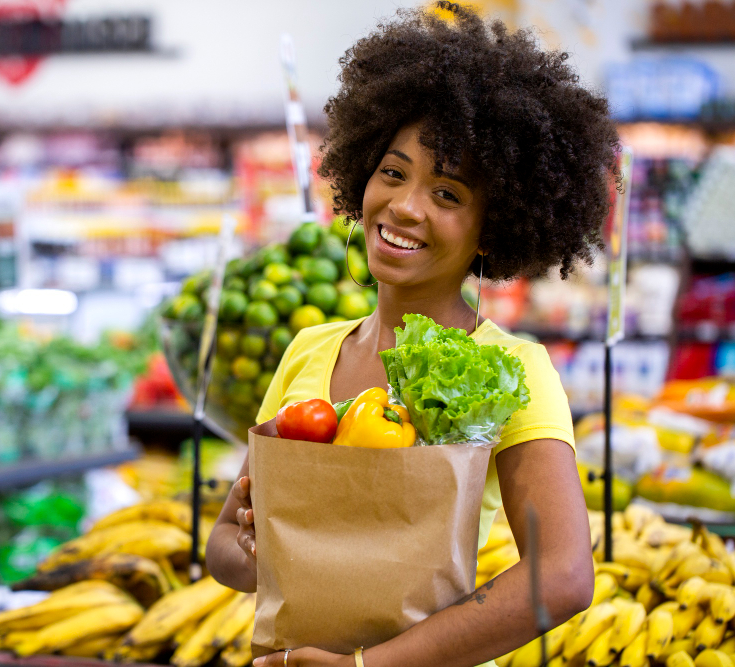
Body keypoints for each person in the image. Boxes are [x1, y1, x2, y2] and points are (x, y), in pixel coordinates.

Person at [205, 3, 621, 666]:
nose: (404, 205)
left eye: (448, 193)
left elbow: (562, 576)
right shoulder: (310, 350)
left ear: (493, 227)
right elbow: (224, 544)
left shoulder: (514, 369)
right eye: (393, 172)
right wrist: (267, 548)